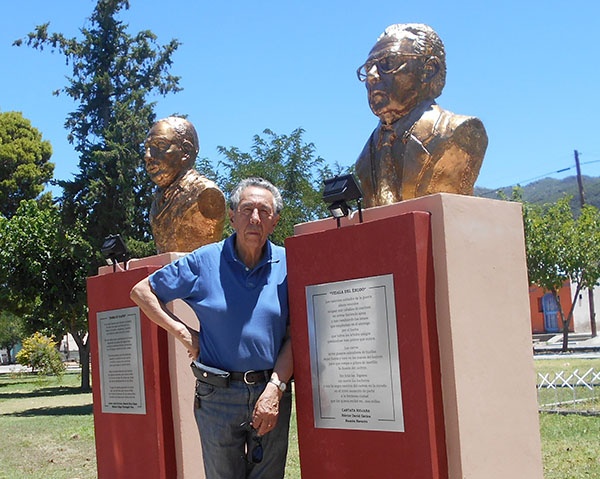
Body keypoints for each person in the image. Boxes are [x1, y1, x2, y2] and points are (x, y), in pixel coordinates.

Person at [130, 177, 293, 479]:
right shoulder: (205, 261)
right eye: (246, 209)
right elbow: (142, 292)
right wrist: (184, 333)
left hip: (271, 392)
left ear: (275, 221)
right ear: (232, 216)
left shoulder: (289, 263)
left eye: (264, 211)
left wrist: (275, 389)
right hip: (218, 395)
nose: (254, 218)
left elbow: (295, 336)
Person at [355, 23, 488, 206]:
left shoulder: (458, 131)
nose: (371, 76)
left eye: (388, 63)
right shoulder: (365, 157)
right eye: (369, 67)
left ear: (428, 70)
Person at [144, 116, 226, 253]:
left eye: (160, 145)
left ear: (186, 151)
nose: (148, 156)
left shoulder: (205, 193)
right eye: (147, 148)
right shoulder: (158, 200)